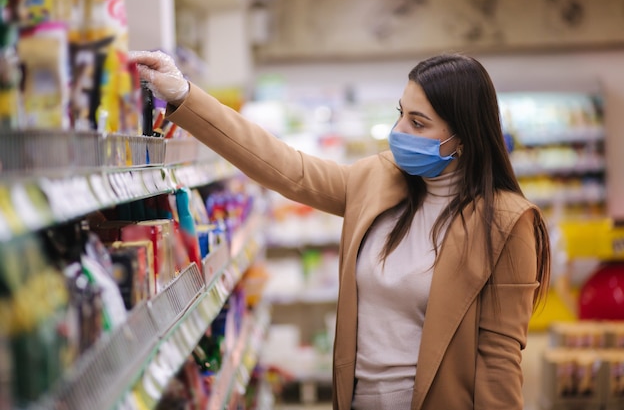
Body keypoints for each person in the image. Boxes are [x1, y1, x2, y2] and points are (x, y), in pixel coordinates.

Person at [129, 50, 551, 410]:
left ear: (465, 138)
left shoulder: (506, 223)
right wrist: (183, 93)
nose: (399, 132)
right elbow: (284, 166)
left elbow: (498, 361)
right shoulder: (377, 180)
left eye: (419, 124)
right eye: (401, 114)